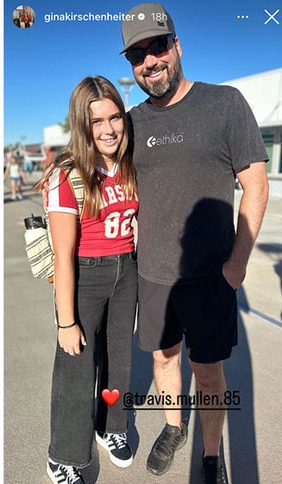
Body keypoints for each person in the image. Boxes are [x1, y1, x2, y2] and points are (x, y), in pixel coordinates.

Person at [120, 4, 269, 483]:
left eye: (158, 46)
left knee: (207, 372)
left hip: (211, 277)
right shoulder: (131, 122)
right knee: (163, 358)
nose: (150, 61)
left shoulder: (224, 103)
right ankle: (172, 426)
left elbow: (256, 184)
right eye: (138, 55)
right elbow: (100, 174)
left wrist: (237, 266)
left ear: (177, 45)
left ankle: (210, 455)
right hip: (153, 275)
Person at [33, 76, 139, 484]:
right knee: (76, 371)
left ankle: (111, 426)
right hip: (86, 277)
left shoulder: (129, 165)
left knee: (119, 360)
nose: (109, 129)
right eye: (97, 121)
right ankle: (64, 456)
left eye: (115, 118)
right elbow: (63, 255)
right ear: (82, 124)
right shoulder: (67, 172)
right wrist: (66, 321)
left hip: (125, 269)